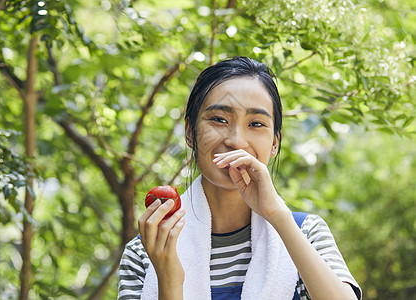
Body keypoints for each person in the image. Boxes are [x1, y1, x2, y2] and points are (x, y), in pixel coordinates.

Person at [117, 57, 362, 300]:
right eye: (219, 119)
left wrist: (276, 214)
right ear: (190, 132)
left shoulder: (305, 233)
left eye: (256, 123)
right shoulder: (145, 252)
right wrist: (169, 281)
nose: (236, 140)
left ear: (274, 143)